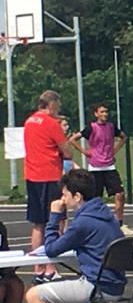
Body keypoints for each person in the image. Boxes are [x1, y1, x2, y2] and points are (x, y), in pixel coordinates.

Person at [24, 169, 125, 303]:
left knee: (34, 295)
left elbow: (52, 248)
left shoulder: (83, 222)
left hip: (96, 287)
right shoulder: (107, 215)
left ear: (77, 196)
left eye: (65, 194)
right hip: (114, 285)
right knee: (59, 289)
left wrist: (54, 216)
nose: (63, 199)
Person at [23, 90, 75, 283]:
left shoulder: (29, 122)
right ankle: (51, 266)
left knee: (38, 223)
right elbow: (66, 150)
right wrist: (67, 162)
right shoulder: (51, 124)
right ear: (51, 104)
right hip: (50, 175)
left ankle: (38, 268)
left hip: (32, 176)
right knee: (57, 220)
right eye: (57, 106)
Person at [68, 102, 133, 235]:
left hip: (109, 165)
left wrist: (115, 149)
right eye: (102, 112)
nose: (105, 114)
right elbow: (73, 139)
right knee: (95, 198)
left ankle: (119, 223)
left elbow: (123, 137)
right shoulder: (91, 128)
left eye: (106, 112)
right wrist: (85, 151)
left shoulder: (111, 126)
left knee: (120, 194)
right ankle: (95, 223)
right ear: (96, 114)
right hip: (95, 167)